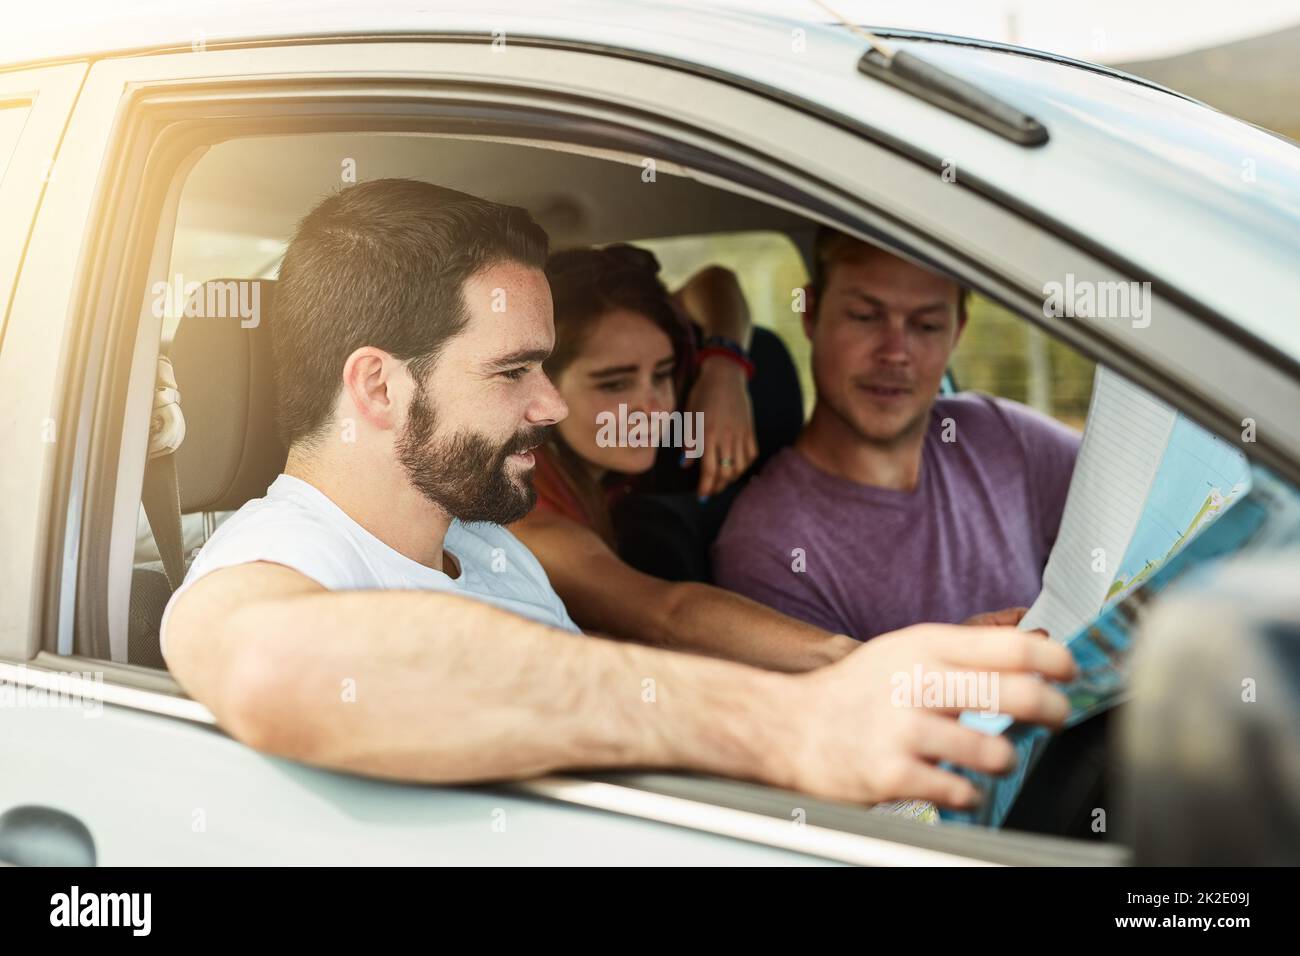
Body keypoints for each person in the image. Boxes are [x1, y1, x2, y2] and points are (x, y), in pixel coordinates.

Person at [162, 179, 1075, 809]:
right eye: (515, 370)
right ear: (379, 388)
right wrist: (788, 726)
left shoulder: (484, 540)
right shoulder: (271, 558)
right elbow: (268, 665)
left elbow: (661, 621)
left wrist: (872, 665)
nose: (550, 404)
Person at [511, 244, 1022, 671]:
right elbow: (667, 612)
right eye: (615, 383)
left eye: (665, 373)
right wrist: (877, 663)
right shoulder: (529, 523)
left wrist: (723, 368)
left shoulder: (623, 415)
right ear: (540, 385)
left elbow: (715, 284)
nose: (656, 406)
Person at [713, 229, 1081, 641]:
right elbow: (832, 704)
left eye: (926, 326)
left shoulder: (1001, 436)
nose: (895, 352)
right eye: (865, 317)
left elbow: (1144, 514)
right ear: (811, 313)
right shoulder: (769, 547)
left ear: (956, 332)